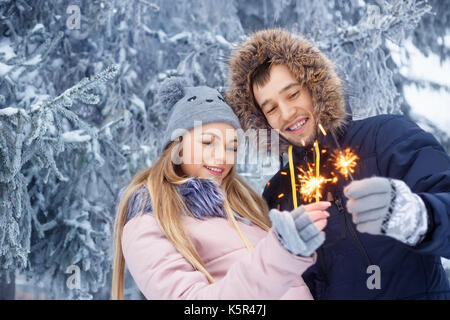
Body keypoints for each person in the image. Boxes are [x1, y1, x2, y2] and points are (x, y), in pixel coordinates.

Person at [225, 28, 450, 299]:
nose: (286, 114)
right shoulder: (278, 193)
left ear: (314, 87)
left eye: (293, 94)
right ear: (262, 120)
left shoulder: (385, 137)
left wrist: (419, 217)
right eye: (271, 108)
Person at [111, 77, 331, 300]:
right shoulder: (149, 221)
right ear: (177, 145)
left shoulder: (245, 212)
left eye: (232, 147)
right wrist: (280, 253)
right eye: (208, 142)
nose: (222, 157)